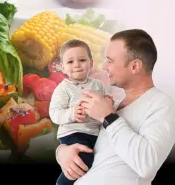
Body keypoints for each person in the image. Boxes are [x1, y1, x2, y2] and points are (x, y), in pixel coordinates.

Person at [55, 29, 175, 185]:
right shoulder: (115, 105)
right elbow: (94, 150)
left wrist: (108, 117)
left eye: (110, 60)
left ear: (134, 66)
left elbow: (147, 165)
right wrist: (62, 152)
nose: (104, 66)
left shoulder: (163, 104)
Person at [49, 39, 112, 185]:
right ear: (63, 68)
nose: (76, 65)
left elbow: (103, 105)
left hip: (95, 133)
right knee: (83, 160)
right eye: (70, 62)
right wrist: (72, 113)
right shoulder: (63, 88)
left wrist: (107, 100)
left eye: (82, 60)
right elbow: (54, 114)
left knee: (98, 164)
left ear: (91, 63)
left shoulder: (98, 84)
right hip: (73, 133)